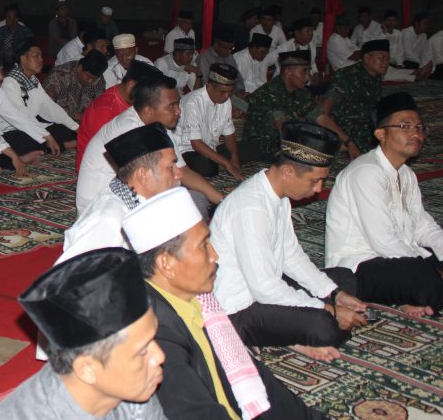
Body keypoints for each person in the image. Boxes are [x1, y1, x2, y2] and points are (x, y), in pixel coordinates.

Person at [123, 187, 327, 420]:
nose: (215, 255)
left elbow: (258, 380)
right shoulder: (156, 338)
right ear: (166, 264)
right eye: (204, 245)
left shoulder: (199, 302)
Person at [210, 122, 366, 362]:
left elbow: (291, 256)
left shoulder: (277, 195)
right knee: (324, 327)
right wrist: (329, 310)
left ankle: (289, 334)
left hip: (263, 287)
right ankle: (258, 337)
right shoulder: (250, 208)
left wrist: (333, 294)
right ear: (287, 172)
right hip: (238, 309)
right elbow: (264, 288)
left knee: (344, 279)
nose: (319, 189)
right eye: (314, 181)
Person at [0, 248, 166, 420]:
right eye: (142, 351)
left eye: (153, 339)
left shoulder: (129, 387)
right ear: (87, 369)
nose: (159, 356)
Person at [326, 92, 443, 316]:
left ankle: (413, 296)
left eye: (419, 128)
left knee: (432, 262)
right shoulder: (365, 172)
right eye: (405, 126)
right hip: (362, 265)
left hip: (402, 255)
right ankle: (416, 293)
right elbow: (383, 241)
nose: (415, 134)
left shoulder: (406, 174)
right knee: (426, 281)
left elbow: (423, 226)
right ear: (381, 134)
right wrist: (431, 267)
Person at [77, 73, 224, 215]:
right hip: (102, 209)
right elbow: (148, 187)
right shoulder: (130, 130)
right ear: (148, 111)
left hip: (132, 196)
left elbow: (183, 172)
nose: (178, 111)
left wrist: (223, 202)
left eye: (178, 104)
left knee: (194, 199)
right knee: (193, 202)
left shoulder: (156, 124)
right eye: (171, 106)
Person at [62, 124, 184, 260]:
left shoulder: (142, 199)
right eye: (171, 167)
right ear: (143, 175)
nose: (179, 174)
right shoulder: (108, 220)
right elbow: (73, 271)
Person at [240, 50, 358, 164]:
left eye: (309, 71)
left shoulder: (301, 91)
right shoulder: (270, 93)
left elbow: (321, 118)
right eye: (304, 71)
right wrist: (326, 146)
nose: (308, 77)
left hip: (284, 145)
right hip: (261, 149)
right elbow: (284, 129)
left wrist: (348, 142)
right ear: (288, 72)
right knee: (322, 159)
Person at [76, 62, 158, 171]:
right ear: (131, 86)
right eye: (147, 92)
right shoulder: (105, 109)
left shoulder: (130, 100)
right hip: (98, 169)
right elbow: (110, 154)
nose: (149, 97)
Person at [1, 42, 79, 154]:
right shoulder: (9, 83)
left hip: (29, 124)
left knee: (65, 129)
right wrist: (47, 137)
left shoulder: (33, 80)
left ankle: (54, 145)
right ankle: (59, 146)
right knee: (31, 141)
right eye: (36, 56)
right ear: (23, 58)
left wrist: (75, 127)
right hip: (12, 129)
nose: (41, 60)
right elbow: (21, 117)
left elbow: (49, 106)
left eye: (41, 56)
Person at [174, 63, 243, 181]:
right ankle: (219, 165)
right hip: (188, 151)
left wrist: (234, 158)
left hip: (210, 149)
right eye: (223, 92)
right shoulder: (193, 102)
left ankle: (218, 164)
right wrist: (227, 163)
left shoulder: (225, 101)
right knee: (204, 167)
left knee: (246, 147)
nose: (227, 96)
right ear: (210, 87)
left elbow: (229, 133)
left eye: (230, 92)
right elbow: (196, 144)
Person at [322, 39, 388, 152]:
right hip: (348, 130)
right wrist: (327, 136)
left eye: (387, 59)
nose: (385, 63)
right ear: (366, 58)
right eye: (381, 58)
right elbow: (325, 110)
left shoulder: (376, 76)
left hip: (368, 124)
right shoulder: (346, 76)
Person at [44, 50, 107, 123]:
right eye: (88, 76)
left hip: (84, 123)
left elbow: (100, 103)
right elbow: (47, 107)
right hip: (57, 121)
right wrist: (76, 115)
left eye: (94, 78)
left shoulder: (97, 78)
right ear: (80, 67)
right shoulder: (59, 76)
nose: (90, 81)